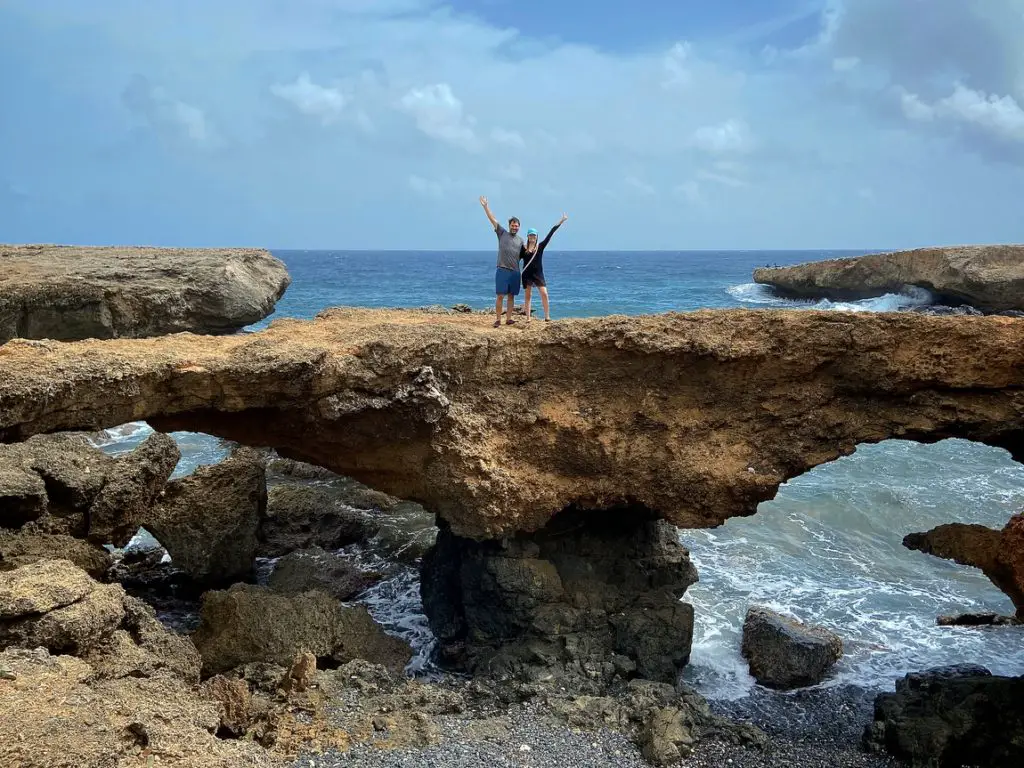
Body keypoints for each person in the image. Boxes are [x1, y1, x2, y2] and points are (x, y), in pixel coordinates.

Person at [479, 195, 524, 327]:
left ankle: (508, 319)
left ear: (519, 227)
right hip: (502, 270)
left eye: (517, 226)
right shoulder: (502, 233)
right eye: (513, 225)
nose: (514, 227)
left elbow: (525, 254)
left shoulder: (521, 240)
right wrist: (486, 207)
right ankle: (498, 319)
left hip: (515, 272)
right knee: (500, 296)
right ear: (509, 225)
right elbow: (492, 219)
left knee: (511, 296)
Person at [520, 213, 568, 322]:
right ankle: (528, 318)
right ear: (527, 236)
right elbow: (515, 258)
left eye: (534, 235)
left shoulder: (540, 246)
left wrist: (561, 221)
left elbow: (551, 233)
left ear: (536, 237)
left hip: (538, 274)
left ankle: (547, 317)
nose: (532, 237)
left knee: (544, 293)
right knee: (528, 296)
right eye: (530, 235)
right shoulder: (523, 249)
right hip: (527, 274)